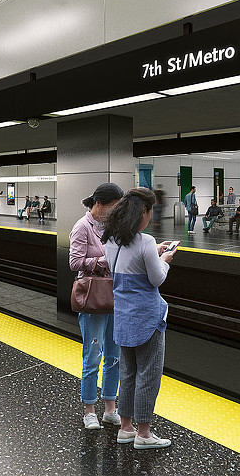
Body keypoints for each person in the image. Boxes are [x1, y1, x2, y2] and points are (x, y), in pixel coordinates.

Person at [101, 187, 175, 449]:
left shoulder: (110, 241)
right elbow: (157, 279)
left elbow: (130, 262)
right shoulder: (144, 242)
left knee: (128, 373)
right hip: (147, 318)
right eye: (150, 211)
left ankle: (126, 427)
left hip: (123, 317)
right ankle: (144, 434)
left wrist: (153, 251)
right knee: (148, 374)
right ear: (143, 211)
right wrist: (164, 259)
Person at [69, 183, 124, 431]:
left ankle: (110, 409)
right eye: (112, 207)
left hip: (114, 297)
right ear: (99, 204)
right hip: (93, 299)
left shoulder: (113, 227)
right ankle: (89, 410)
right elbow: (75, 262)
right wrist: (104, 260)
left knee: (114, 356)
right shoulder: (82, 227)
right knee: (92, 357)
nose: (114, 212)